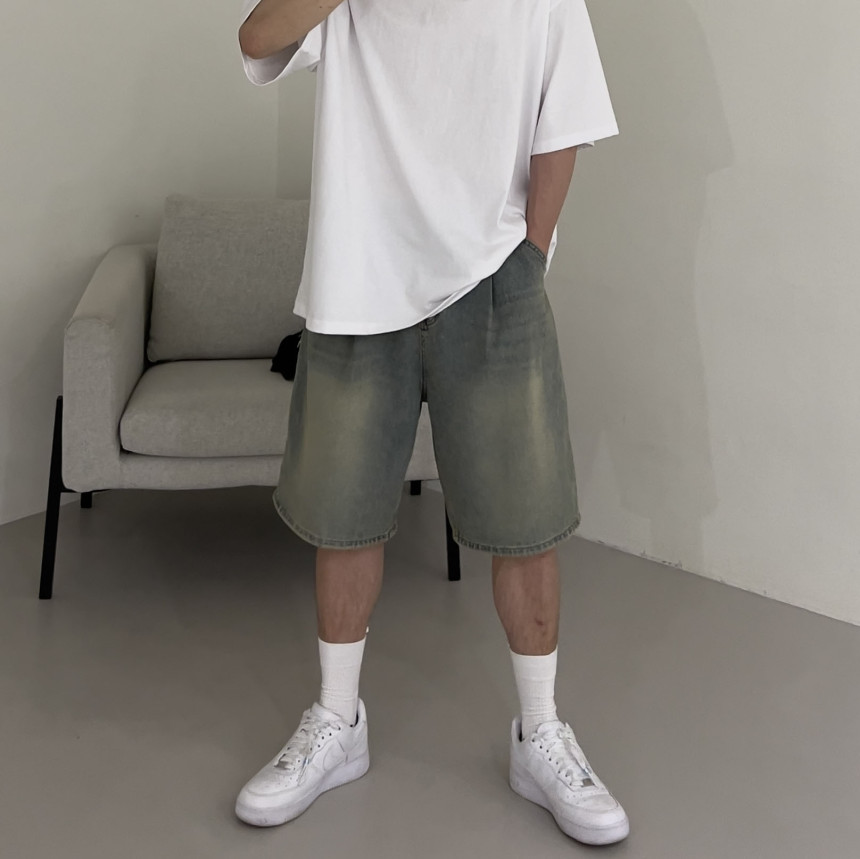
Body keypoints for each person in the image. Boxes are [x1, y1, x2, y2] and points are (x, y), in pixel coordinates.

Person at [235, 0, 628, 846]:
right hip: (357, 275)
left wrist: (529, 259)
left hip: (493, 276)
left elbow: (564, 120)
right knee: (344, 516)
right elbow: (257, 36)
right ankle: (337, 719)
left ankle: (540, 731)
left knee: (526, 520)